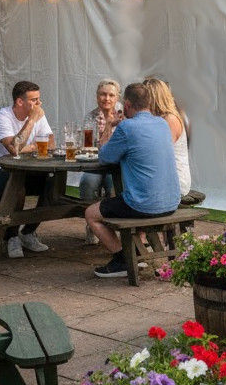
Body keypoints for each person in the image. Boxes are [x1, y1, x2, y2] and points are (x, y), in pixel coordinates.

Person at [86, 82, 180, 279]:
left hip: (143, 204)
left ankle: (122, 259)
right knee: (123, 199)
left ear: (127, 104)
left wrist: (110, 129)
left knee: (91, 213)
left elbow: (105, 157)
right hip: (171, 201)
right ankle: (134, 253)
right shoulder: (162, 123)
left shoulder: (127, 127)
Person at [0, 80, 55, 259]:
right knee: (17, 188)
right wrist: (32, 121)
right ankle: (10, 236)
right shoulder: (2, 117)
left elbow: (50, 143)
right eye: (34, 100)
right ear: (20, 102)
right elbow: (14, 148)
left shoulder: (38, 114)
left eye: (39, 99)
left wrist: (29, 145)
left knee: (53, 181)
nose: (39, 104)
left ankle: (28, 232)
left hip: (24, 170)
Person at [144, 76, 193, 201]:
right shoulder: (158, 118)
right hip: (163, 177)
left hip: (175, 181)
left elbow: (160, 155)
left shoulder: (170, 119)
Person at [78, 78, 122, 216]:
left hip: (117, 166)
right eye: (103, 94)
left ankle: (112, 224)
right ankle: (91, 224)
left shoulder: (123, 117)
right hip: (95, 165)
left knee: (114, 186)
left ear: (117, 97)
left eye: (111, 95)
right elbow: (87, 146)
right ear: (97, 96)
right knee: (87, 183)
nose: (106, 98)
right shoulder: (90, 118)